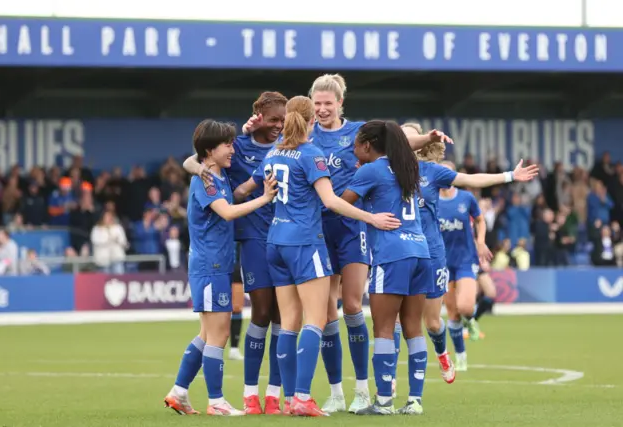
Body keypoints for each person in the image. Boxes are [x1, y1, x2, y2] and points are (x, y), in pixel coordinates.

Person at [235, 96, 400, 417]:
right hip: (304, 243)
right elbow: (331, 202)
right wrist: (372, 219)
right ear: (311, 122)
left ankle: (280, 401)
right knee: (316, 319)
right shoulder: (311, 154)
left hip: (274, 242)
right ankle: (301, 397)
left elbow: (242, 190)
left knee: (288, 324)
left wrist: (265, 196)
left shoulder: (272, 153)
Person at [297, 74, 451, 413]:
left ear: (340, 104)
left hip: (355, 227)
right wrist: (251, 131)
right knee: (324, 312)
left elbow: (397, 143)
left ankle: (365, 391)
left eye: (328, 103)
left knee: (352, 305)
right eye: (317, 104)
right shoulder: (303, 135)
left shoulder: (360, 133)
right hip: (316, 229)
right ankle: (336, 391)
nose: (322, 109)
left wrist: (428, 137)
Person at [163, 119, 278, 417]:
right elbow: (226, 212)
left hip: (214, 265)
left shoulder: (216, 174)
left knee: (206, 334)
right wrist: (264, 198)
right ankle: (216, 401)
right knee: (219, 333)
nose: (232, 149)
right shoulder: (207, 180)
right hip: (211, 265)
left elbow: (197, 163)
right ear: (209, 151)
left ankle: (179, 391)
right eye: (226, 145)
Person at [402, 124, 538, 373]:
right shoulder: (385, 170)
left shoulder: (433, 175)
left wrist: (509, 176)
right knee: (402, 321)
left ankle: (446, 350)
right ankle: (389, 387)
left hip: (440, 257)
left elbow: (472, 182)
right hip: (399, 255)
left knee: (441, 318)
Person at [337, 120, 430, 416]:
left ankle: (384, 402)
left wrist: (370, 216)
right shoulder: (409, 166)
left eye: (356, 144)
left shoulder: (371, 169)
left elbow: (340, 204)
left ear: (367, 145)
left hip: (391, 254)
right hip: (420, 250)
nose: (353, 149)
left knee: (384, 329)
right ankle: (415, 400)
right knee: (414, 328)